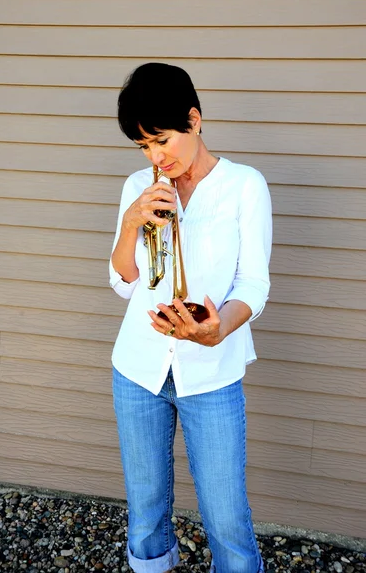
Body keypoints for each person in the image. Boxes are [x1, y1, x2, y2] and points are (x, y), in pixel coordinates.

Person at [109, 62, 272, 573]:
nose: (156, 156)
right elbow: (122, 280)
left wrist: (217, 327)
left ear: (194, 120)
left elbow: (254, 284)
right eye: (144, 146)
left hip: (213, 373)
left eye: (161, 140)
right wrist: (133, 221)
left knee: (226, 517)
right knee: (146, 512)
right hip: (139, 370)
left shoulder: (244, 185)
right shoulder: (140, 184)